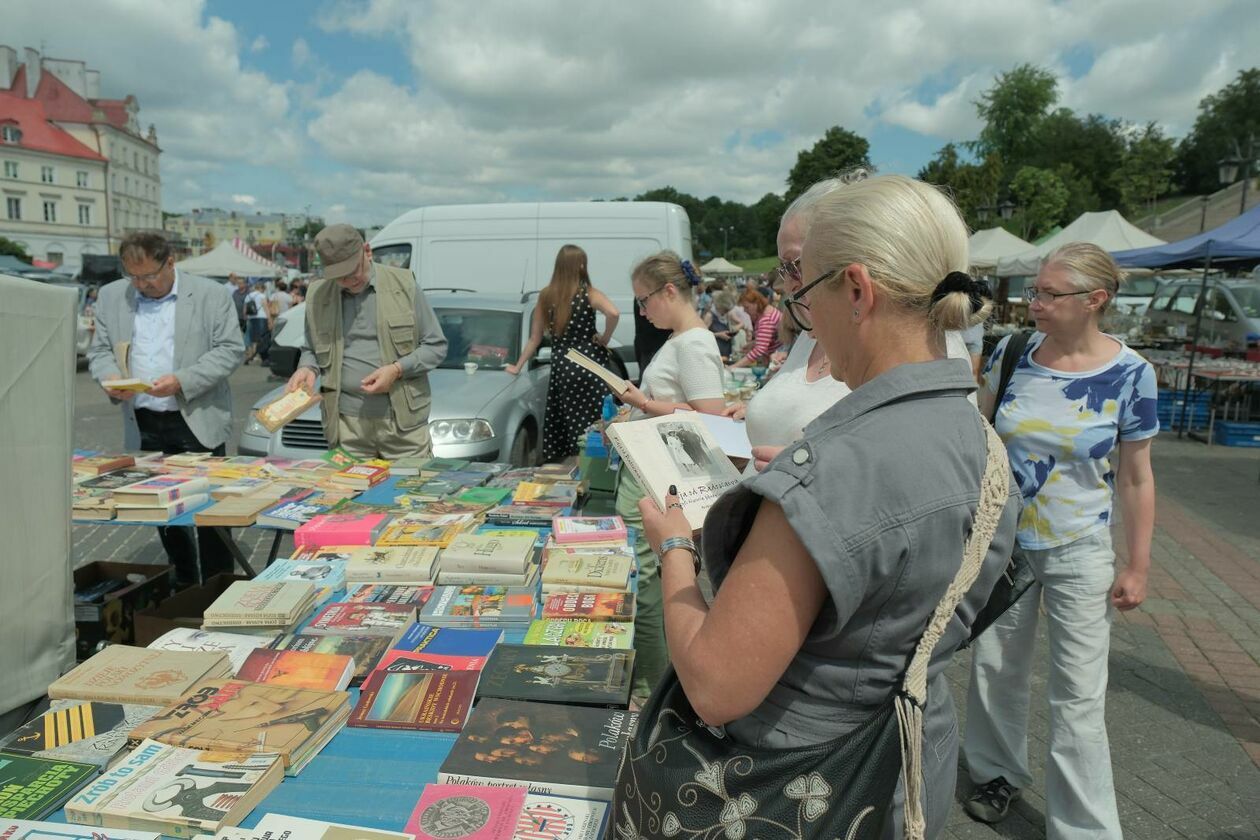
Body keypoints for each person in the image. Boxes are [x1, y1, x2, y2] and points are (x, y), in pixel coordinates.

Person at [628, 174, 1020, 839]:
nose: (804, 319)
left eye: (807, 295)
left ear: (859, 290)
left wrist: (674, 547)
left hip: (798, 786)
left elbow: (715, 684)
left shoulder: (835, 469)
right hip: (910, 760)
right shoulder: (981, 441)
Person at [962, 243, 1157, 838]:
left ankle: (1084, 827)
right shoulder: (1011, 352)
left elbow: (1137, 476)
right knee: (995, 669)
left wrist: (1138, 565)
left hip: (1081, 549)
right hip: (1005, 545)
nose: (1032, 301)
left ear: (1094, 301)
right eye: (1034, 290)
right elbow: (977, 436)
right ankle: (996, 774)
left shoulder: (1132, 373)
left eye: (1048, 293)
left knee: (1078, 694)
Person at [86, 232, 244, 588]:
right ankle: (183, 583)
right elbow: (100, 351)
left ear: (170, 262)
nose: (141, 285)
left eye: (149, 276)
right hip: (143, 419)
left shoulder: (210, 295)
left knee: (208, 511)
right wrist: (110, 376)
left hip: (195, 418)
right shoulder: (113, 296)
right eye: (134, 277)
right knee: (162, 508)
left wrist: (182, 380)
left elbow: (230, 350)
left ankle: (219, 587)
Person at [612, 251, 726, 703]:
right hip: (651, 470)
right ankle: (654, 680)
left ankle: (657, 686)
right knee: (644, 578)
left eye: (644, 300)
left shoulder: (693, 342)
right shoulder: (681, 339)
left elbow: (709, 417)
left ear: (670, 291)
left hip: (663, 478)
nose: (642, 311)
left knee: (651, 584)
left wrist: (644, 404)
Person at [287, 224, 448, 459]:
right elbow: (311, 347)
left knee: (408, 492)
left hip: (402, 426)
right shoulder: (318, 294)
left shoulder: (404, 285)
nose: (347, 281)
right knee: (350, 492)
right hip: (346, 427)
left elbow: (436, 346)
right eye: (338, 277)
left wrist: (396, 370)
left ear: (367, 251)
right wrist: (307, 367)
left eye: (352, 272)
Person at [506, 244, 620, 462]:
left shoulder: (547, 296)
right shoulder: (589, 293)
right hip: (591, 362)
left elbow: (534, 338)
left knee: (572, 421)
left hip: (564, 364)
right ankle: (597, 465)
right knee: (598, 421)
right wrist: (604, 338)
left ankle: (576, 461)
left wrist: (517, 366)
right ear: (581, 265)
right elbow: (613, 312)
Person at [728, 287, 781, 367]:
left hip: (777, 360)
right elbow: (769, 337)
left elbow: (759, 350)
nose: (745, 311)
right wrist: (753, 343)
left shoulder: (766, 319)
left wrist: (734, 366)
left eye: (747, 307)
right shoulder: (768, 311)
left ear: (756, 303)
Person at [701, 290, 737, 359]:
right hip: (713, 352)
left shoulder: (726, 315)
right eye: (725, 310)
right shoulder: (709, 315)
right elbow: (702, 334)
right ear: (719, 306)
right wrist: (719, 335)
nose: (726, 312)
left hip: (726, 352)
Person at [243, 280, 271, 364]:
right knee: (262, 338)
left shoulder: (248, 296)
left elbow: (244, 310)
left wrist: (246, 318)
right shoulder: (262, 296)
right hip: (262, 317)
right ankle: (260, 356)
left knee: (253, 338)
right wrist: (269, 319)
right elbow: (265, 307)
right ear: (262, 288)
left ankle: (252, 355)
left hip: (251, 318)